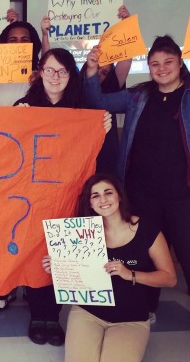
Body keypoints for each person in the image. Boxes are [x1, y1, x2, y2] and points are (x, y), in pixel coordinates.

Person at [15, 48, 113, 346]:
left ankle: (53, 315)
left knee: (64, 253)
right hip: (33, 198)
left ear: (71, 75)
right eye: (49, 70)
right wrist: (13, 121)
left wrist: (102, 131)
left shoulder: (85, 111)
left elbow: (98, 157)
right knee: (36, 255)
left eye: (62, 71)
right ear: (40, 72)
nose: (55, 77)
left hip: (70, 196)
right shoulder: (24, 107)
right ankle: (37, 314)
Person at [84, 35, 190, 301]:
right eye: (154, 63)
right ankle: (147, 307)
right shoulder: (138, 96)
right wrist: (92, 71)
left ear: (180, 63)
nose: (161, 68)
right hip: (142, 193)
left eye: (168, 62)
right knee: (144, 253)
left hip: (183, 194)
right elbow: (99, 103)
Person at [43, 174, 176, 362]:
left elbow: (170, 278)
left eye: (108, 192)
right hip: (87, 313)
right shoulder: (81, 233)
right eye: (95, 195)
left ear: (119, 196)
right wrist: (58, 266)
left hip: (132, 319)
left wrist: (129, 274)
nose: (103, 199)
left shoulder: (146, 229)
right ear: (90, 203)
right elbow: (77, 274)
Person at [79, 5, 132, 175]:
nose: (99, 74)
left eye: (104, 72)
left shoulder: (111, 89)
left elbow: (125, 60)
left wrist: (127, 25)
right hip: (79, 152)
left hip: (106, 155)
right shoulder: (73, 86)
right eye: (96, 67)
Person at [0, 14, 50, 107]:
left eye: (24, 40)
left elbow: (47, 63)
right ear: (4, 44)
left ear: (32, 44)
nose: (18, 44)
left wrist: (45, 35)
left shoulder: (36, 77)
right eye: (13, 40)